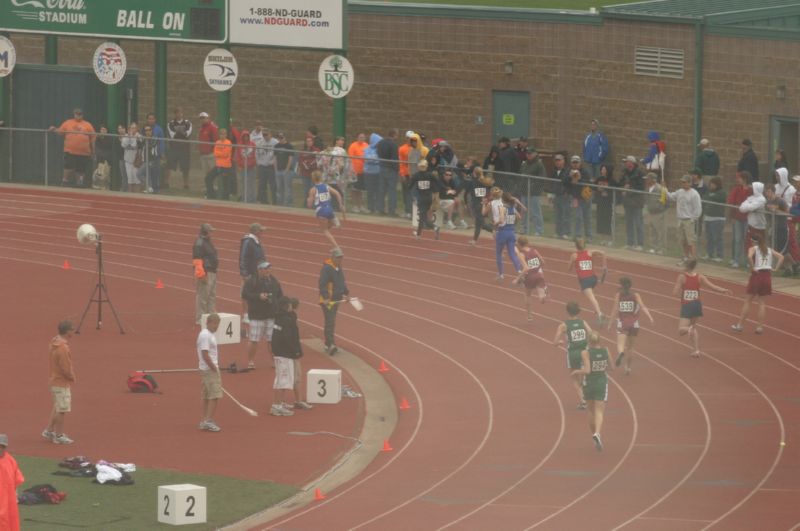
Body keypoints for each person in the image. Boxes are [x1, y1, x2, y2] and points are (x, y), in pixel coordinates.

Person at [672, 259, 732, 357]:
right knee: (693, 328)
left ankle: (691, 332)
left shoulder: (682, 277)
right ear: (695, 266)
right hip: (697, 305)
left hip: (687, 305)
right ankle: (696, 350)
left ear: (686, 266)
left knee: (681, 330)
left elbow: (674, 293)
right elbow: (712, 286)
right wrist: (724, 290)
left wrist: (682, 296)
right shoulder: (700, 277)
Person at [731, 234, 783, 335]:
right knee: (762, 303)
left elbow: (749, 257)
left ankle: (740, 325)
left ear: (753, 241)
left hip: (757, 275)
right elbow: (781, 257)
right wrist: (776, 268)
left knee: (748, 301)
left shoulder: (753, 248)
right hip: (767, 275)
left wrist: (752, 267)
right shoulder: (769, 249)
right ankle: (759, 327)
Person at [270, 296, 313, 416]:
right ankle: (276, 406)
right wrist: (296, 351)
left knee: (281, 380)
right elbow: (288, 338)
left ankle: (279, 403)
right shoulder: (286, 320)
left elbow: (277, 337)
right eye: (289, 305)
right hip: (285, 354)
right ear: (286, 306)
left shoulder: (279, 318)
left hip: (280, 353)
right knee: (282, 381)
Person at [573, 332, 612, 452]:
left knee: (590, 410)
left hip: (588, 384)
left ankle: (594, 436)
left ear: (589, 341)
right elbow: (612, 367)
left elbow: (587, 370)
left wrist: (577, 372)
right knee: (599, 411)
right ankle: (597, 433)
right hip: (601, 383)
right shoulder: (606, 350)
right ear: (599, 340)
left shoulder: (585, 353)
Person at [607, 277, 654, 375]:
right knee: (631, 348)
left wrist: (610, 323)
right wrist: (650, 317)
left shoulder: (618, 295)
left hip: (623, 323)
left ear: (621, 285)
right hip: (634, 324)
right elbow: (643, 306)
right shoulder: (636, 295)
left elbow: (615, 309)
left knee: (620, 344)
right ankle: (628, 368)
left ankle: (620, 353)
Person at [553, 301, 594, 410]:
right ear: (578, 311)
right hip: (585, 351)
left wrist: (560, 343)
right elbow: (591, 334)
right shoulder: (583, 322)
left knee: (574, 378)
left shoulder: (563, 325)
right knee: (584, 373)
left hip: (573, 354)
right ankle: (587, 395)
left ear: (567, 312)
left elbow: (555, 342)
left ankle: (583, 401)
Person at [242, 261, 283, 370]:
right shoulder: (252, 281)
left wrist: (278, 307)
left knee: (272, 340)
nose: (268, 270)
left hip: (271, 314)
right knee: (254, 339)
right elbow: (245, 294)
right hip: (257, 315)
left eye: (269, 268)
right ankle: (250, 361)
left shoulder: (274, 281)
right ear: (259, 270)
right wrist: (258, 296)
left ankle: (274, 361)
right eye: (265, 268)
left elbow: (280, 295)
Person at [43, 320, 76, 445]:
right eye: (72, 329)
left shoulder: (55, 341)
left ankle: (49, 430)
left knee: (57, 406)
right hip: (61, 382)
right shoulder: (63, 348)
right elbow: (66, 367)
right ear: (67, 331)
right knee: (62, 409)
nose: (73, 331)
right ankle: (59, 435)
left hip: (54, 379)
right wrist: (71, 376)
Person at [49, 108, 95, 187]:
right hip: (70, 150)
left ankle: (79, 183)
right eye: (77, 114)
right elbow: (60, 132)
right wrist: (54, 129)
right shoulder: (68, 123)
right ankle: (65, 181)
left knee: (81, 169)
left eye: (80, 114)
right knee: (68, 166)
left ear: (82, 115)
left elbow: (93, 138)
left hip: (84, 152)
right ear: (74, 114)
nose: (78, 116)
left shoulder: (88, 124)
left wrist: (93, 151)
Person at [566, 238, 607, 325]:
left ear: (576, 246)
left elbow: (569, 269)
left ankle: (599, 313)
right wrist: (604, 266)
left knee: (591, 298)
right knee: (590, 295)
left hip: (585, 280)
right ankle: (597, 309)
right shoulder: (590, 252)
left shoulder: (574, 255)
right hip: (593, 278)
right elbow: (603, 253)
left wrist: (572, 264)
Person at [489, 189, 525, 282]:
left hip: (502, 232)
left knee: (499, 254)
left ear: (503, 200)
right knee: (512, 254)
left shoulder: (502, 208)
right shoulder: (512, 208)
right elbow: (520, 217)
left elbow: (501, 220)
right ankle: (520, 271)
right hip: (511, 232)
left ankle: (501, 275)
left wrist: (495, 225)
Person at [666, 174, 703, 265]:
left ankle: (693, 259)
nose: (683, 184)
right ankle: (686, 257)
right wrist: (664, 189)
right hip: (680, 219)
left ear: (690, 183)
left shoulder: (694, 194)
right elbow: (670, 197)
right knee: (682, 240)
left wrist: (693, 219)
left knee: (691, 241)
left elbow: (698, 208)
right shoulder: (680, 192)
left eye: (685, 182)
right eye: (682, 182)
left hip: (688, 220)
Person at [319, 247, 350, 355]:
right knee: (330, 322)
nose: (340, 259)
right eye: (338, 257)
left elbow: (341, 282)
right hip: (329, 301)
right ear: (332, 257)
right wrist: (326, 297)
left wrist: (346, 293)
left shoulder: (338, 267)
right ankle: (329, 345)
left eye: (341, 257)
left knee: (331, 322)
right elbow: (322, 284)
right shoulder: (327, 268)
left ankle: (329, 343)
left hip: (336, 300)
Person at [307, 170, 346, 247]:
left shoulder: (313, 190)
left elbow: (310, 205)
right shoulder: (326, 186)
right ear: (321, 178)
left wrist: (308, 200)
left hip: (321, 211)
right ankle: (334, 220)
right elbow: (337, 193)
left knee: (325, 231)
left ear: (313, 179)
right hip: (329, 209)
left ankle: (337, 247)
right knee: (327, 225)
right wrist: (340, 204)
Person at [197, 313, 222, 432]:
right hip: (209, 369)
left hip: (206, 369)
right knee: (214, 395)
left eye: (218, 324)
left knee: (207, 396)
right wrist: (213, 368)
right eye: (214, 323)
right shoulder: (206, 336)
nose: (216, 326)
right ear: (208, 323)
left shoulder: (207, 334)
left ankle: (204, 420)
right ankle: (208, 420)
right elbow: (205, 354)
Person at [513, 236, 548, 321]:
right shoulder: (534, 251)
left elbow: (526, 268)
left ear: (519, 245)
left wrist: (517, 279)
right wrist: (538, 267)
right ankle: (543, 295)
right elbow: (543, 262)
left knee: (528, 295)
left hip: (530, 277)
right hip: (539, 274)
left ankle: (529, 316)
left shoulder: (522, 254)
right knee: (541, 298)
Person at [239, 223, 267, 330]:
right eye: (261, 231)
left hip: (257, 272)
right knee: (246, 293)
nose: (263, 232)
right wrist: (244, 273)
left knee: (256, 292)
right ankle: (246, 315)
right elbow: (243, 258)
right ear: (256, 231)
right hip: (250, 273)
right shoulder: (248, 242)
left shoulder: (256, 241)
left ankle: (253, 312)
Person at [193, 223, 219, 325]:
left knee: (211, 295)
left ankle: (210, 315)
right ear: (206, 231)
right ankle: (200, 318)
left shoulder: (207, 241)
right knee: (203, 296)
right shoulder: (199, 243)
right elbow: (197, 261)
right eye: (211, 231)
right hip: (205, 273)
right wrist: (201, 275)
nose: (212, 233)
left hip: (212, 271)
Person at [409, 160, 440, 240]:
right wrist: (436, 195)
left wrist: (411, 194)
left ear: (419, 167)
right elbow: (437, 184)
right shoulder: (430, 175)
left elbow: (410, 186)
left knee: (423, 217)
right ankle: (419, 234)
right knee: (423, 216)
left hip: (421, 198)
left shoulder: (416, 176)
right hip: (428, 198)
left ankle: (433, 228)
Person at [620, 155, 646, 250]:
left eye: (628, 162)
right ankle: (630, 243)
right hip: (627, 202)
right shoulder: (624, 173)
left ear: (632, 163)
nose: (626, 164)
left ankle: (640, 244)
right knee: (629, 223)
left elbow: (641, 187)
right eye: (626, 162)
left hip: (637, 202)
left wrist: (630, 188)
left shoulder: (640, 174)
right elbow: (620, 183)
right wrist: (623, 188)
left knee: (638, 223)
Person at [727, 170, 752, 268]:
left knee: (747, 240)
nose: (738, 180)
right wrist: (732, 216)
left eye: (740, 178)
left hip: (748, 218)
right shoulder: (737, 189)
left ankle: (747, 261)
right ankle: (736, 260)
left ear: (744, 179)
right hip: (738, 218)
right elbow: (731, 201)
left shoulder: (751, 189)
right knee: (737, 239)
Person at [0, 434, 24, 531]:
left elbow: (16, 479)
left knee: (9, 522)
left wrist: (15, 495)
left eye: (2, 447)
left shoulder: (10, 460)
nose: (0, 449)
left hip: (8, 499)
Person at [464, 167, 493, 245]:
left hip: (476, 205)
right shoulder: (483, 182)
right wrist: (487, 199)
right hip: (482, 204)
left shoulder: (473, 182)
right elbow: (489, 189)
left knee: (482, 224)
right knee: (478, 223)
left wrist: (466, 203)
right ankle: (474, 240)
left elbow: (466, 193)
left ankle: (495, 231)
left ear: (474, 173)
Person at [739, 181, 768, 260]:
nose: (751, 189)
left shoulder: (762, 199)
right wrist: (749, 206)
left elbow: (752, 207)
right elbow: (742, 208)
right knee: (749, 245)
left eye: (753, 187)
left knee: (759, 246)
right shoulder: (751, 197)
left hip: (759, 227)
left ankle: (760, 261)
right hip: (751, 225)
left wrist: (749, 206)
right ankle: (751, 261)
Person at [166, 108, 192, 189]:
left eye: (180, 113)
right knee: (169, 166)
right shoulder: (170, 123)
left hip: (184, 148)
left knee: (185, 167)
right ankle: (166, 183)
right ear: (175, 114)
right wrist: (181, 132)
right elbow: (172, 135)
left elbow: (187, 134)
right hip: (173, 148)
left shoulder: (188, 123)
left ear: (182, 113)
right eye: (177, 113)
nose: (179, 115)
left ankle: (186, 184)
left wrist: (180, 132)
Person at [205, 128, 235, 200]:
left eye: (224, 134)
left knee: (225, 183)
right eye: (221, 134)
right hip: (218, 165)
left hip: (226, 166)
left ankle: (225, 198)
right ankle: (211, 195)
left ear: (226, 135)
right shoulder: (217, 142)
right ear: (219, 135)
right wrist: (220, 153)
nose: (222, 135)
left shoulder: (228, 143)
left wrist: (220, 153)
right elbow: (215, 153)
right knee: (208, 178)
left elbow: (225, 154)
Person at [251, 124, 278, 204]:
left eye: (266, 134)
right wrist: (258, 163)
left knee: (273, 185)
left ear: (270, 134)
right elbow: (256, 153)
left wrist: (273, 162)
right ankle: (264, 201)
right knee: (262, 185)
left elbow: (276, 154)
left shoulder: (275, 142)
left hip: (271, 166)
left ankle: (274, 201)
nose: (265, 136)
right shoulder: (260, 142)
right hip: (262, 166)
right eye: (263, 135)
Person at [703, 176, 727, 262]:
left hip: (718, 219)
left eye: (713, 184)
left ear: (717, 185)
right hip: (708, 218)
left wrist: (711, 197)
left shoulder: (722, 193)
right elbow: (705, 198)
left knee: (717, 237)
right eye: (710, 184)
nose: (711, 186)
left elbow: (716, 198)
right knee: (709, 237)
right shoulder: (708, 192)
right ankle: (709, 254)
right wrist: (710, 196)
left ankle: (720, 255)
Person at [644, 172, 666, 254]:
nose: (646, 180)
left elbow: (665, 201)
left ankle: (661, 249)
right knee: (652, 231)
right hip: (650, 212)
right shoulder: (647, 188)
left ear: (653, 180)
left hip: (658, 213)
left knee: (660, 231)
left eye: (648, 179)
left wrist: (660, 208)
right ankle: (653, 247)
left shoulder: (660, 188)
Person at [347, 133, 369, 213]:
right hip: (354, 171)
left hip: (363, 171)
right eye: (360, 137)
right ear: (357, 138)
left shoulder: (366, 145)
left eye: (363, 137)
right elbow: (350, 158)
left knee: (361, 189)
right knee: (354, 189)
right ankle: (354, 206)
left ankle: (361, 206)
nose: (362, 138)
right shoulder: (353, 146)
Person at [594, 164, 615, 246]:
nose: (603, 171)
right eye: (602, 169)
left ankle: (609, 239)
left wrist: (608, 194)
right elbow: (594, 187)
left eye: (604, 169)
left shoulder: (611, 180)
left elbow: (615, 191)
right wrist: (597, 189)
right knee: (601, 220)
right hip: (600, 202)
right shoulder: (599, 179)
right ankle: (602, 239)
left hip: (608, 203)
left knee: (608, 221)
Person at [235, 129, 257, 202]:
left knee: (251, 183)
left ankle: (252, 199)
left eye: (247, 136)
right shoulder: (239, 145)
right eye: (244, 136)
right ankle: (244, 198)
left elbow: (255, 155)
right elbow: (237, 156)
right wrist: (240, 164)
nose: (246, 138)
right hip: (242, 167)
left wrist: (252, 163)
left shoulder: (253, 144)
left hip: (251, 167)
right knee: (243, 183)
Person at [120, 123, 142, 192]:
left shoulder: (139, 136)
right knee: (129, 178)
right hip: (128, 160)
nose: (133, 129)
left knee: (136, 178)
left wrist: (133, 138)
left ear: (137, 129)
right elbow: (123, 145)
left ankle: (137, 194)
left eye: (134, 128)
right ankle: (130, 194)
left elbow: (135, 145)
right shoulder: (126, 136)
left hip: (136, 161)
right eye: (131, 128)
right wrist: (130, 137)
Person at [274, 132, 295, 206]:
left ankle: (288, 204)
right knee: (279, 188)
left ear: (284, 137)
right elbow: (275, 158)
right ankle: (280, 203)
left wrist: (287, 169)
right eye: (279, 138)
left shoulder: (289, 146)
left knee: (288, 188)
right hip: (278, 170)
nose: (280, 139)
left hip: (287, 171)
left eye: (281, 137)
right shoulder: (276, 146)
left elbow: (290, 159)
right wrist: (276, 169)